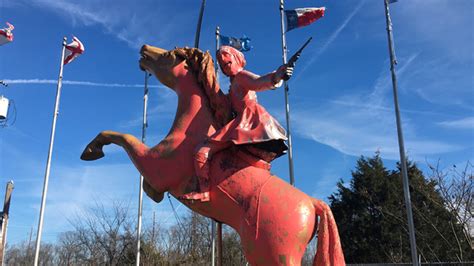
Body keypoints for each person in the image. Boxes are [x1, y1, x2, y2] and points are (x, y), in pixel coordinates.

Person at [183, 45, 293, 202]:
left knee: (202, 151)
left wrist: (277, 76)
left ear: (237, 59)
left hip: (248, 122)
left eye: (228, 62)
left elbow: (258, 82)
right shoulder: (234, 83)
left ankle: (205, 190)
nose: (225, 67)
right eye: (222, 66)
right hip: (242, 122)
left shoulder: (241, 77)